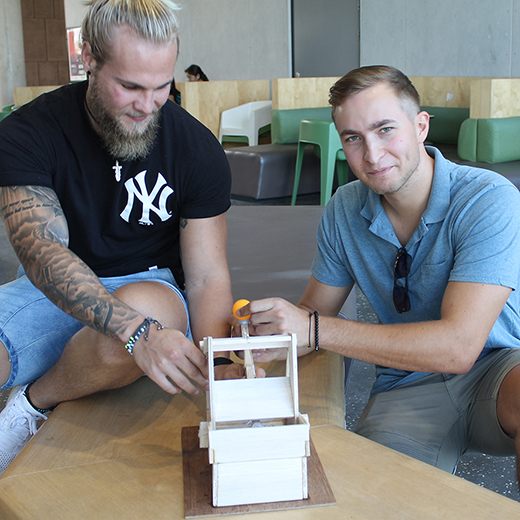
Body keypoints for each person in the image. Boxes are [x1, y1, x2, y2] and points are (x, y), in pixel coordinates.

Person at [0, 0, 253, 474]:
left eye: (162, 87)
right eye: (130, 86)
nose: (147, 105)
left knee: (141, 319)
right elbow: (43, 254)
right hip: (54, 282)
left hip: (151, 284)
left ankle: (30, 406)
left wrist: (223, 372)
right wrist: (140, 336)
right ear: (90, 59)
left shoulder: (196, 148)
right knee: (135, 330)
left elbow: (205, 276)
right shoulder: (28, 131)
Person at [236, 65, 520, 485]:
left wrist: (312, 330)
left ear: (421, 126)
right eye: (353, 138)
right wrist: (270, 339)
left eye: (385, 129)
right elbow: (314, 311)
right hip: (405, 386)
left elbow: (460, 348)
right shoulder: (345, 208)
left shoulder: (488, 198)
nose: (371, 154)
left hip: (496, 372)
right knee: (372, 497)